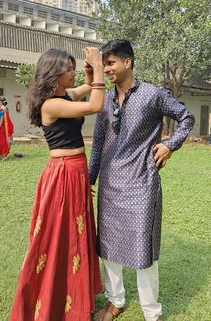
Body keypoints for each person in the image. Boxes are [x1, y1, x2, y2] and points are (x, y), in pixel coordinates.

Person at [89, 39, 195, 321]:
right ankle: (115, 301)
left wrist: (170, 145)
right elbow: (98, 142)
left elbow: (186, 117)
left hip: (141, 182)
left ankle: (152, 313)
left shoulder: (153, 95)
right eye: (105, 64)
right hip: (110, 185)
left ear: (128, 62)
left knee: (143, 249)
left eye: (111, 63)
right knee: (108, 247)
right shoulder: (105, 99)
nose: (107, 69)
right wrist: (90, 179)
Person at [10, 47, 105, 321]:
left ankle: (75, 297)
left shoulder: (65, 95)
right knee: (56, 237)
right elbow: (96, 105)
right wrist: (98, 67)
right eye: (68, 68)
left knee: (76, 234)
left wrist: (89, 74)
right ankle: (51, 296)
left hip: (75, 172)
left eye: (73, 67)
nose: (71, 72)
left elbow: (87, 89)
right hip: (62, 173)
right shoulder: (51, 104)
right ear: (54, 73)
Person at [0, 96, 14, 161]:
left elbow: (1, 120)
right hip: (3, 127)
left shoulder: (2, 109)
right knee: (1, 141)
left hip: (2, 128)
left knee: (1, 142)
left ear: (1, 102)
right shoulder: (5, 108)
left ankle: (4, 156)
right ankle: (1, 155)